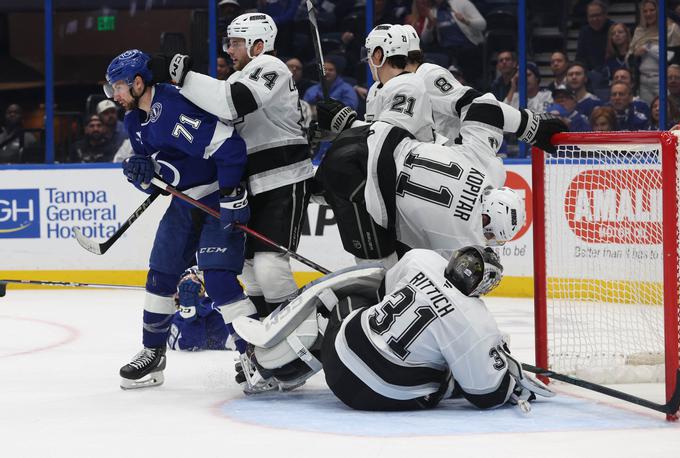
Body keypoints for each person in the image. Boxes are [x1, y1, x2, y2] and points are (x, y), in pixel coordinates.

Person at [231, 246, 554, 411]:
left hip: (337, 362)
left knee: (343, 306)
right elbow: (485, 395)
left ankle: (270, 366)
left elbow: (382, 290)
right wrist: (505, 374)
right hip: (380, 397)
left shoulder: (423, 259)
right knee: (451, 369)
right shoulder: (476, 322)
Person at [105, 49, 253, 389]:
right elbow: (158, 181)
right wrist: (142, 176)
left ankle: (254, 356)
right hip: (186, 203)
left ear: (139, 83)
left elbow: (229, 147)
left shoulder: (172, 105)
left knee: (217, 278)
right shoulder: (133, 121)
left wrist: (231, 193)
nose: (115, 94)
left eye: (119, 86)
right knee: (161, 273)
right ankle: (152, 353)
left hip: (217, 194)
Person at [151, 13, 313, 318]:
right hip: (250, 183)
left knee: (269, 266)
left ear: (259, 44)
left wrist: (185, 75)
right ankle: (268, 341)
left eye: (236, 42)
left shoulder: (271, 67)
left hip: (283, 179)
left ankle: (301, 335)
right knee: (250, 268)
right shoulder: (238, 77)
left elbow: (234, 102)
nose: (229, 49)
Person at [314, 92, 565, 266]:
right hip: (353, 179)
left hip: (369, 134)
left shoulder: (491, 169)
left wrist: (529, 127)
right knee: (384, 281)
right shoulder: (466, 241)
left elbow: (485, 105)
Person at [629, 0, 680, 104]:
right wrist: (635, 54)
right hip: (643, 81)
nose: (648, 14)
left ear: (659, 10)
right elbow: (629, 57)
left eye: (652, 10)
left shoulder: (672, 29)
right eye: (645, 11)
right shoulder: (639, 31)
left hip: (665, 80)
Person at [575, 0, 614, 73]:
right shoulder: (584, 32)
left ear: (605, 15)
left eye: (598, 15)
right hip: (590, 74)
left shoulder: (614, 29)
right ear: (587, 17)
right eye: (591, 16)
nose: (595, 19)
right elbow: (580, 57)